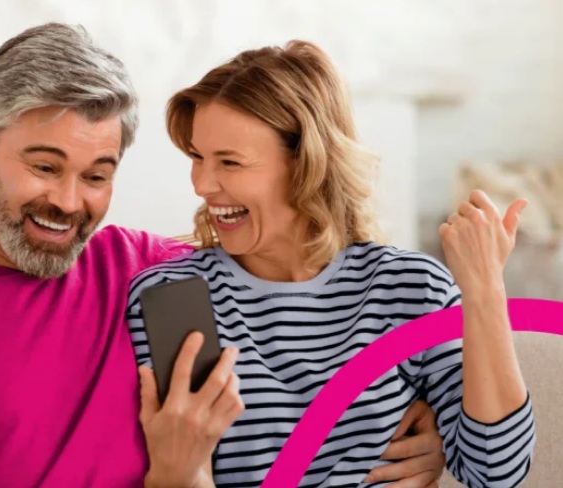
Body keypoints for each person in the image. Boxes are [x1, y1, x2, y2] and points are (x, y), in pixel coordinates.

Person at [0, 24, 447, 488]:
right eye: (44, 166)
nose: (68, 202)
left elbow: (306, 275)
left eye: (96, 175)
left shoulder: (147, 272)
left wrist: (433, 421)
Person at [127, 41, 536, 487]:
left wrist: (485, 289)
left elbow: (495, 473)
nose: (202, 184)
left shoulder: (412, 287)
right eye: (197, 157)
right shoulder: (174, 298)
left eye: (230, 162)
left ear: (309, 165)